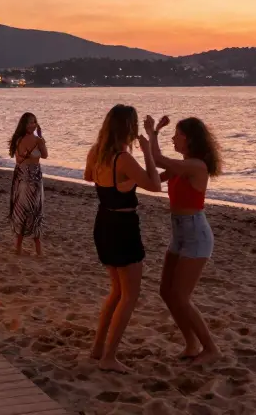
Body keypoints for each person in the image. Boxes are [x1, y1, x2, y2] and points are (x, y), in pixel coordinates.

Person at [85, 104, 162, 373]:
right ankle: (109, 357)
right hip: (123, 226)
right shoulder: (123, 158)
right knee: (130, 295)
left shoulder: (96, 153)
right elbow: (154, 185)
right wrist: (148, 153)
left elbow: (88, 177)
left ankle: (98, 349)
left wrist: (127, 180)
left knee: (117, 291)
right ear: (128, 128)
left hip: (103, 222)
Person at [148, 115, 222, 364]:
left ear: (188, 139)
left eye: (176, 134)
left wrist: (153, 135)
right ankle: (191, 344)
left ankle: (210, 348)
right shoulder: (182, 165)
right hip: (179, 233)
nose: (173, 138)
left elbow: (158, 159)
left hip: (195, 235)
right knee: (166, 292)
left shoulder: (196, 166)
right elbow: (155, 178)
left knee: (180, 296)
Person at [8, 112, 48, 256]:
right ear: (24, 124)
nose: (32, 125)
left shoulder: (30, 140)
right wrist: (28, 154)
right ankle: (25, 248)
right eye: (30, 122)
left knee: (32, 209)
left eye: (34, 122)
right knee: (28, 209)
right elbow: (20, 159)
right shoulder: (27, 140)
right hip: (27, 178)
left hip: (30, 177)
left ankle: (33, 248)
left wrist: (41, 139)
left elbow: (43, 155)